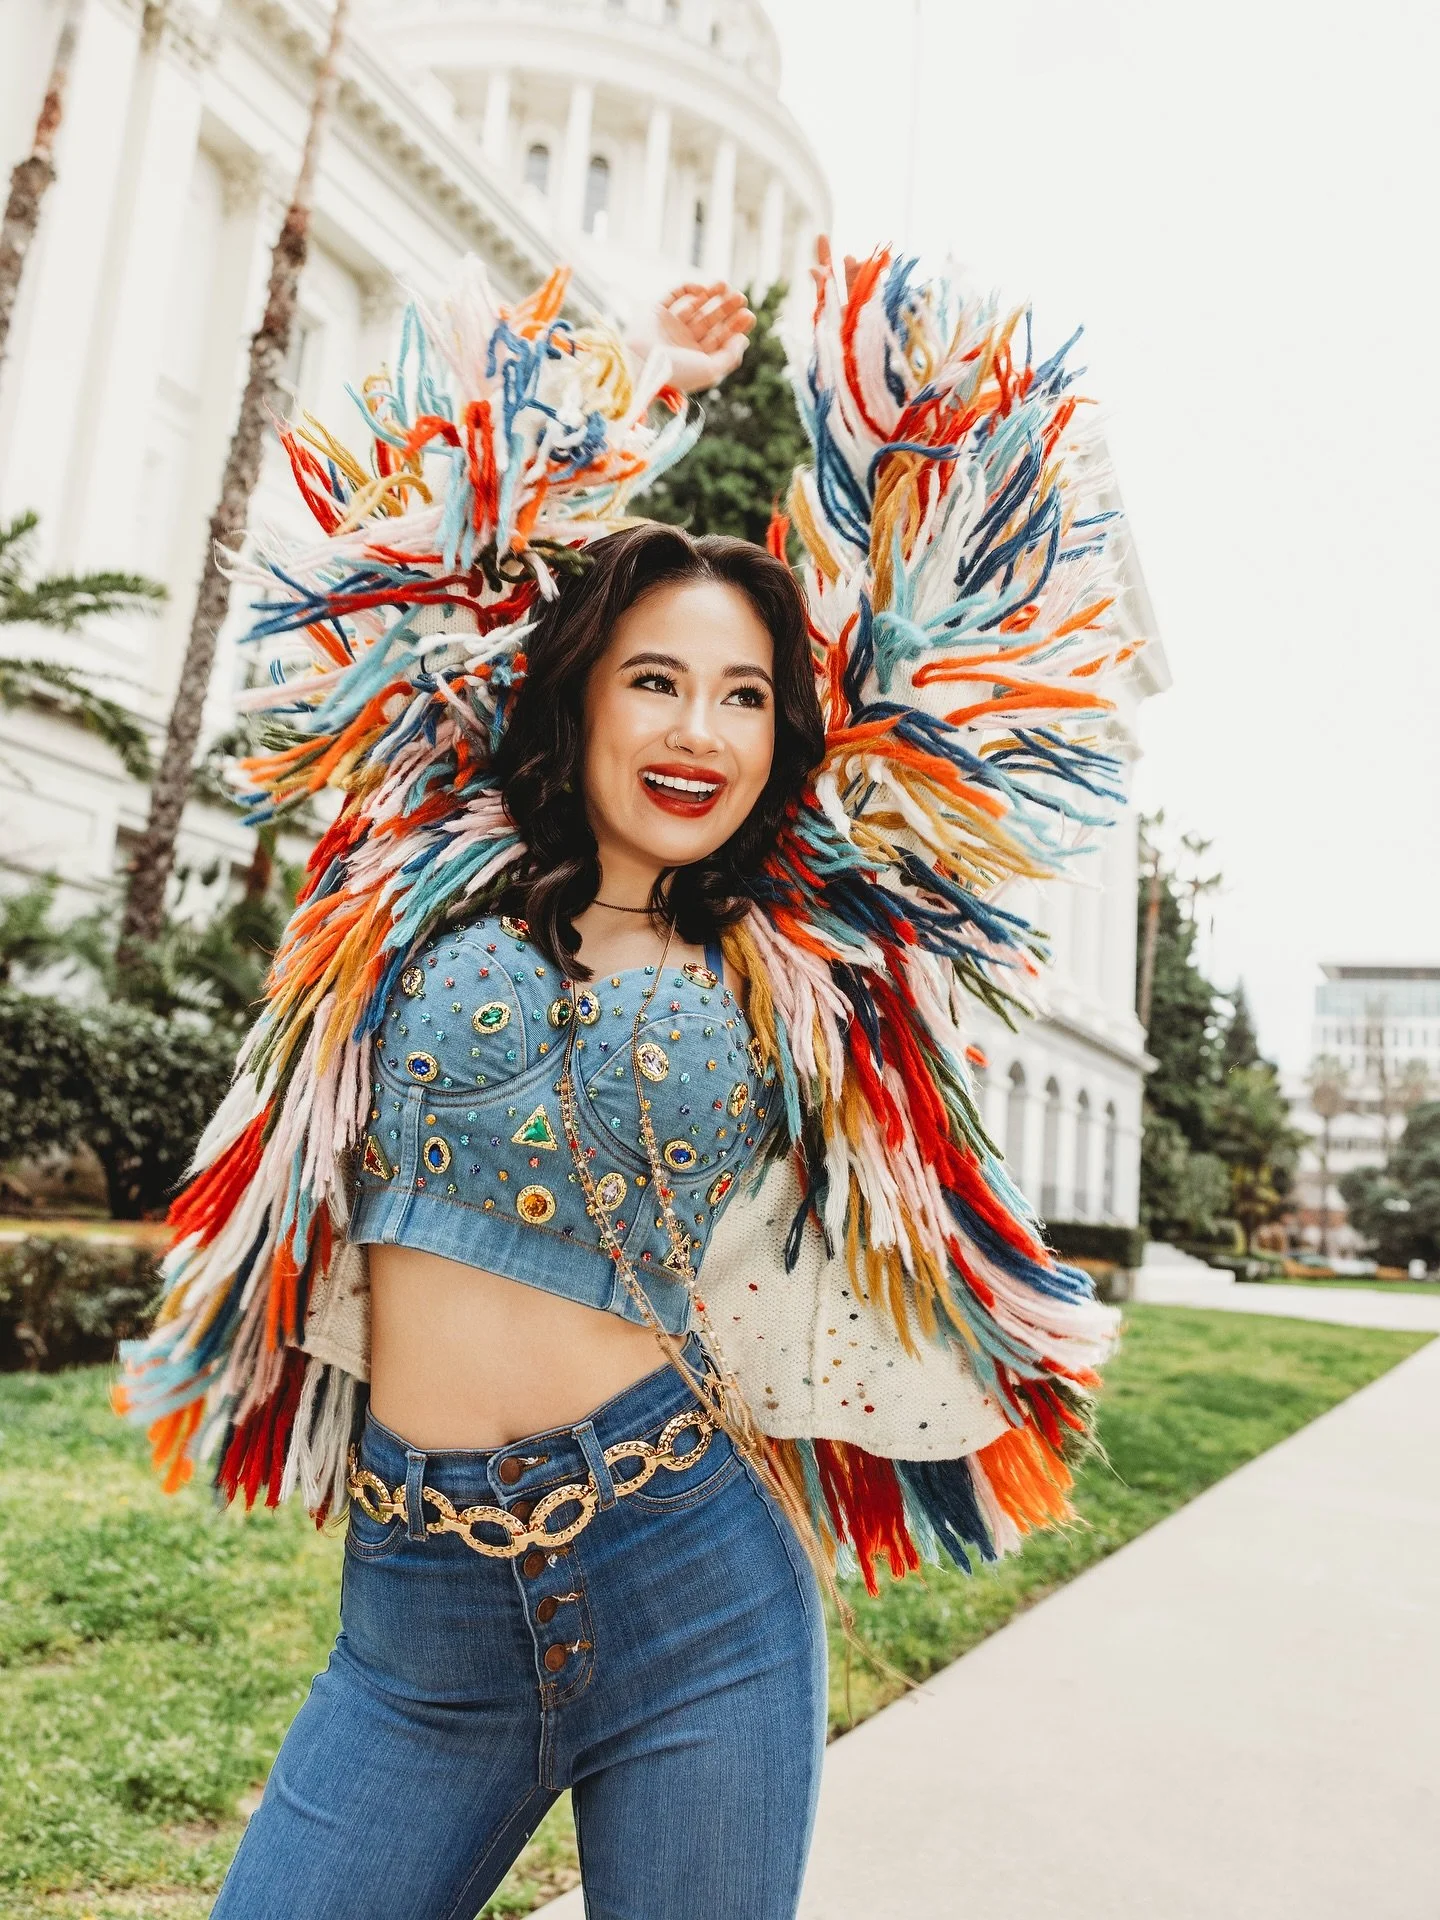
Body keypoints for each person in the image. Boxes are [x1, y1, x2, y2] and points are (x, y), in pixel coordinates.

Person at [118, 248, 1131, 1918]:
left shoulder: (801, 946)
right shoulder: (434, 856)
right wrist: (625, 381)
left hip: (694, 1586)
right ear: (581, 689)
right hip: (420, 1624)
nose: (700, 729)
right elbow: (394, 564)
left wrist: (922, 427)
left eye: (745, 696)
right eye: (657, 676)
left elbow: (963, 654)